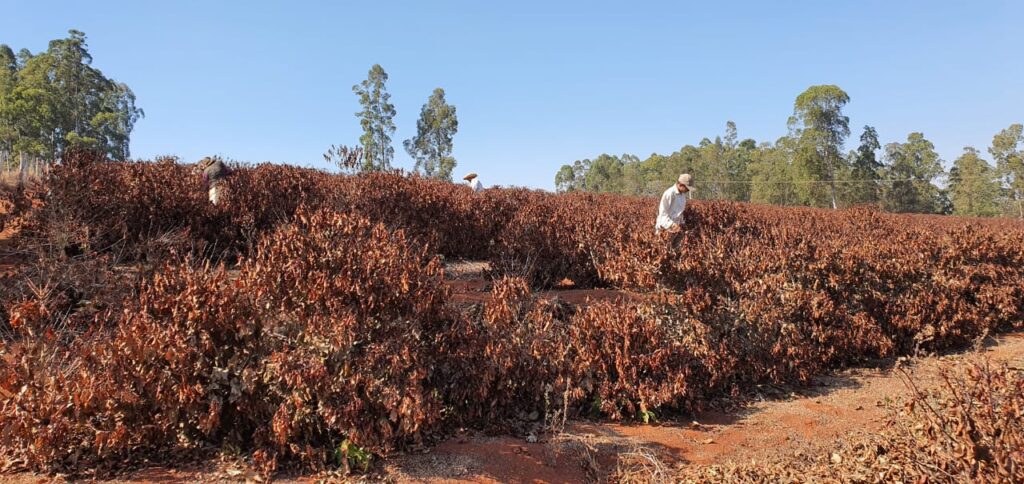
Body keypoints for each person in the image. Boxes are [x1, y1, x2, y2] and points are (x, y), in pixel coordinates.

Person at [656, 174, 693, 246]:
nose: (688, 190)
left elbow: (679, 212)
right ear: (680, 184)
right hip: (665, 228)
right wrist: (672, 225)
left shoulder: (682, 195)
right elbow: (662, 214)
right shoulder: (669, 193)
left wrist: (682, 223)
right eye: (687, 188)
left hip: (676, 228)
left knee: (676, 252)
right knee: (664, 251)